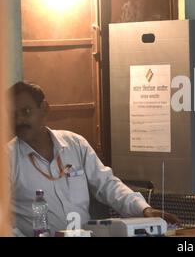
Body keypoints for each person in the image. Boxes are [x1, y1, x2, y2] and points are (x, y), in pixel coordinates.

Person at [8, 81, 180, 237]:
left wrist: (144, 210)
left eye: (26, 111)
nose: (19, 120)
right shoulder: (7, 159)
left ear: (44, 108)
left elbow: (107, 185)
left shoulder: (75, 144)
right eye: (13, 114)